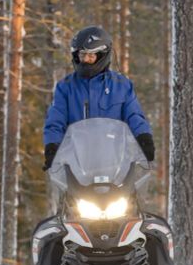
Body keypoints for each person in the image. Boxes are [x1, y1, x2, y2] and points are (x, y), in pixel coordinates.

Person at [42, 25, 154, 171]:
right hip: (77, 164)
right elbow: (55, 120)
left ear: (103, 55)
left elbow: (134, 115)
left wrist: (144, 138)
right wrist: (52, 147)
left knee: (131, 192)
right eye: (82, 55)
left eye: (91, 55)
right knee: (68, 192)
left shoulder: (121, 86)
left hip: (116, 164)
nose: (86, 60)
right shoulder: (66, 87)